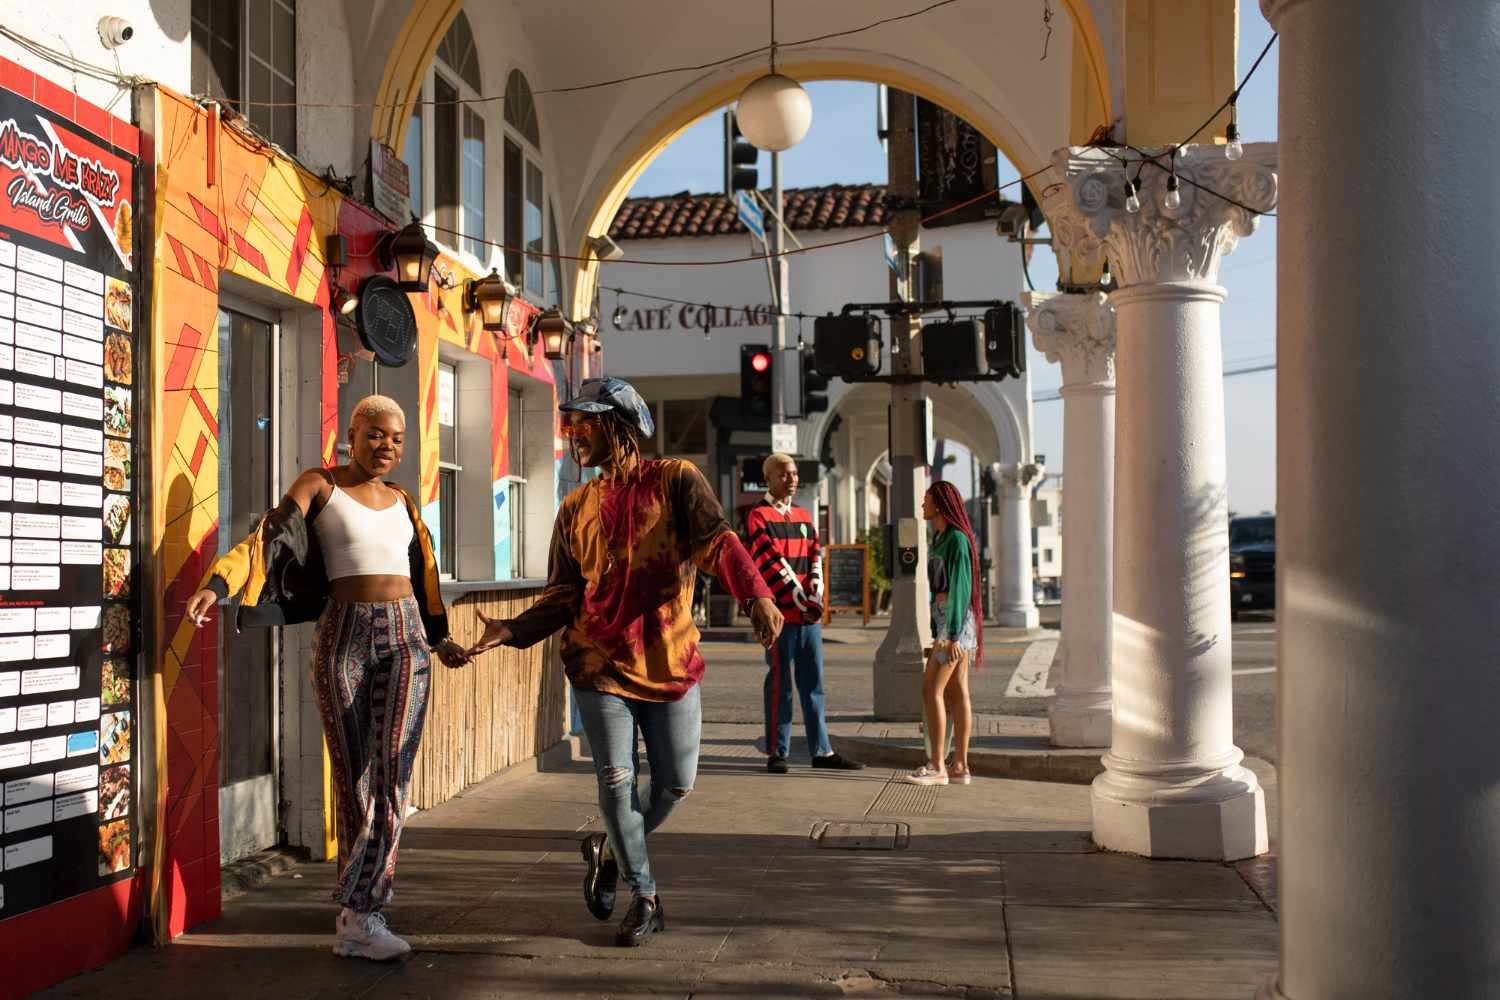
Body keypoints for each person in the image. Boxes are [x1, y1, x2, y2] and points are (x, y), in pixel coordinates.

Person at [462, 377, 782, 947]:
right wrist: (512, 629)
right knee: (615, 781)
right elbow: (564, 595)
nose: (571, 434)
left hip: (671, 658)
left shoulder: (675, 479)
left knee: (676, 787)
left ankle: (608, 848)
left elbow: (718, 540)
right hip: (596, 662)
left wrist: (755, 592)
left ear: (619, 424)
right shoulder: (573, 507)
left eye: (583, 424)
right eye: (569, 424)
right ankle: (645, 893)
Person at [184, 395, 470, 960]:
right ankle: (357, 919)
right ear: (353, 432)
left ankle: (364, 908)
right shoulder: (319, 484)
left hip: (406, 638)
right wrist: (218, 586)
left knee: (391, 770)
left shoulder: (405, 502)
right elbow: (267, 536)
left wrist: (438, 638)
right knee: (353, 778)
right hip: (342, 637)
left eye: (395, 439)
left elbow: (424, 573)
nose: (385, 446)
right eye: (375, 435)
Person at [746, 454, 864, 774]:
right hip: (779, 617)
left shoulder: (803, 515)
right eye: (784, 475)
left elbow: (815, 558)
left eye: (795, 474)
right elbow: (770, 564)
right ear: (767, 478)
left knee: (813, 684)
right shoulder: (759, 515)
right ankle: (776, 752)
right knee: (780, 685)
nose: (792, 480)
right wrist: (803, 602)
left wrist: (816, 599)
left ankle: (821, 751)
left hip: (808, 616)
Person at [904, 481, 984, 786]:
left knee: (931, 690)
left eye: (926, 500)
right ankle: (959, 766)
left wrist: (950, 635)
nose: (923, 506)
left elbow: (961, 588)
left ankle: (937, 765)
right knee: (955, 692)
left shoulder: (956, 539)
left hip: (955, 621)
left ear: (939, 503)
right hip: (948, 620)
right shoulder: (941, 538)